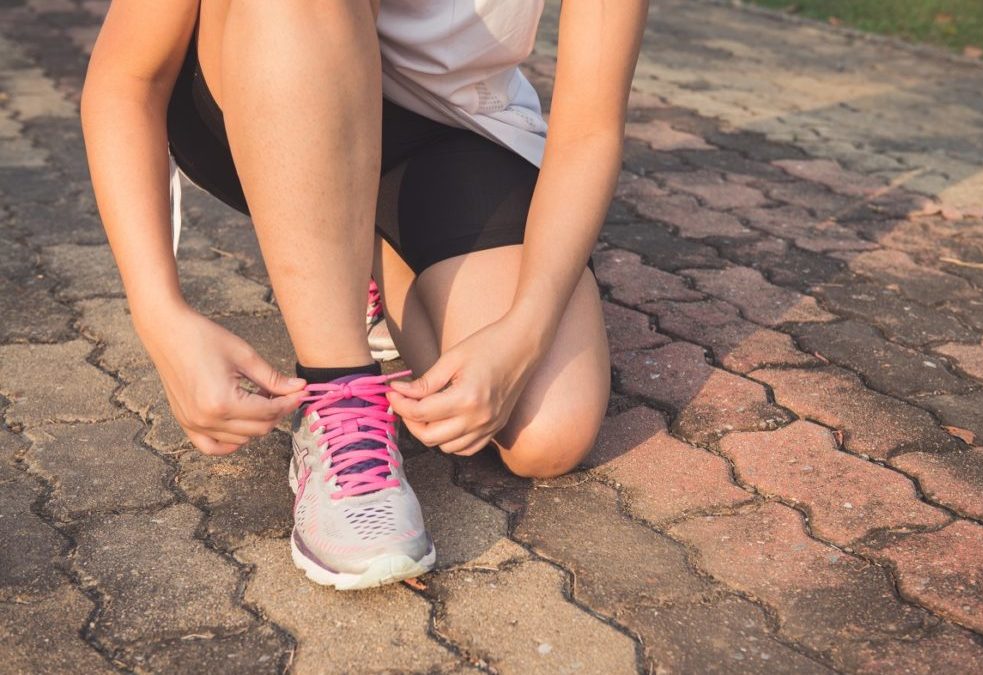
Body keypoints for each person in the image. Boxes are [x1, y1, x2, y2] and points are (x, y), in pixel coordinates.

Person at [80, 0, 649, 590]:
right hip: (266, 71)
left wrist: (525, 331)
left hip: (451, 125)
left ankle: (357, 255)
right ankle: (338, 394)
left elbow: (591, 127)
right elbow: (127, 79)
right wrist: (160, 314)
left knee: (545, 432)